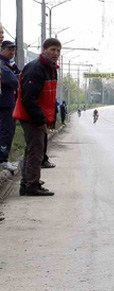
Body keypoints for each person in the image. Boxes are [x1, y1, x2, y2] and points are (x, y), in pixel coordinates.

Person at [12, 38, 61, 196]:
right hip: (30, 117)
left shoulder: (50, 68)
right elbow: (28, 98)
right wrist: (40, 120)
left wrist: (50, 118)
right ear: (44, 49)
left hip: (38, 116)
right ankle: (31, 186)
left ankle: (27, 183)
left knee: (33, 150)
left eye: (58, 50)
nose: (55, 53)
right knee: (36, 152)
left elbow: (48, 97)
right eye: (52, 50)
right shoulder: (36, 68)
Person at [0, 39, 21, 173]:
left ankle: (4, 158)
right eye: (9, 49)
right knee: (5, 131)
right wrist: (18, 76)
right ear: (2, 49)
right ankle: (2, 160)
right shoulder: (2, 65)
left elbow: (20, 75)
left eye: (13, 49)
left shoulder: (10, 64)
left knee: (8, 131)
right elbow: (14, 80)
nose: (12, 52)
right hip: (4, 104)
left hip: (9, 103)